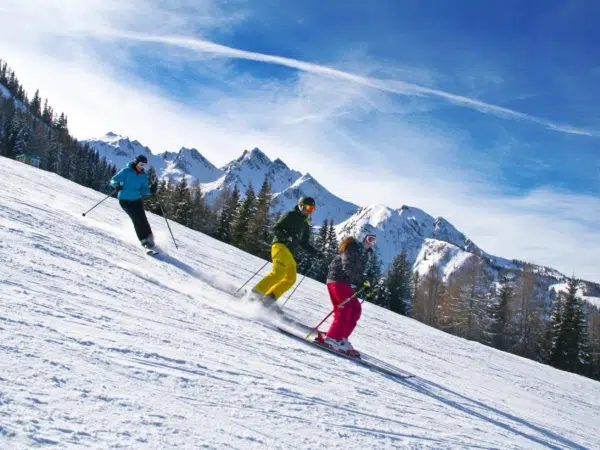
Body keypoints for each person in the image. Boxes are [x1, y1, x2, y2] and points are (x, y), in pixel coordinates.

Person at [317, 231, 376, 357]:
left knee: (355, 309)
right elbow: (348, 267)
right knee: (344, 309)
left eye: (373, 240)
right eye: (369, 239)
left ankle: (341, 338)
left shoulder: (364, 253)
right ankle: (333, 338)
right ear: (361, 237)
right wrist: (361, 280)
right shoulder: (351, 247)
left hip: (346, 283)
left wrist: (365, 282)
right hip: (337, 279)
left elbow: (358, 272)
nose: (371, 243)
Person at [253, 196, 319, 306]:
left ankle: (268, 300)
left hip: (288, 252)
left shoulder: (305, 224)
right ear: (301, 206)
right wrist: (287, 236)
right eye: (308, 208)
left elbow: (303, 243)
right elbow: (276, 228)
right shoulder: (290, 215)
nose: (310, 211)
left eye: (312, 209)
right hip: (280, 246)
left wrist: (315, 252)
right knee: (278, 273)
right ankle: (254, 295)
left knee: (290, 278)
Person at [110, 155, 158, 250]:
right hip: (125, 200)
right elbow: (113, 180)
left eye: (144, 165)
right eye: (140, 164)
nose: (141, 166)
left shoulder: (143, 176)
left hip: (136, 199)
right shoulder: (126, 171)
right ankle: (143, 240)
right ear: (136, 162)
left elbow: (144, 190)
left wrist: (151, 190)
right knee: (136, 219)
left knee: (143, 219)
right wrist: (116, 185)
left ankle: (149, 237)